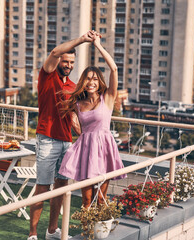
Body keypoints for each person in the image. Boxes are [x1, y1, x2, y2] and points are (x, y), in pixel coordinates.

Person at [28, 31, 97, 240]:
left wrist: (86, 136)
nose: (68, 64)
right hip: (47, 139)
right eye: (65, 61)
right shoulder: (47, 76)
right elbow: (55, 51)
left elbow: (75, 118)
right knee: (43, 186)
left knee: (60, 187)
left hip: (67, 142)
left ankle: (51, 231)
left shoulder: (73, 87)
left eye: (72, 62)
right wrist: (83, 40)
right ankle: (32, 234)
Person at [58, 32, 127, 209]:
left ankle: (100, 233)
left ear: (99, 82)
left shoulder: (108, 98)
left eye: (95, 79)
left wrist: (97, 45)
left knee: (101, 199)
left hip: (104, 150)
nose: (91, 82)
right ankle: (87, 233)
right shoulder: (78, 103)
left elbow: (114, 69)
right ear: (83, 81)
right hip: (87, 151)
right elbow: (75, 123)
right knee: (86, 200)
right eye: (88, 78)